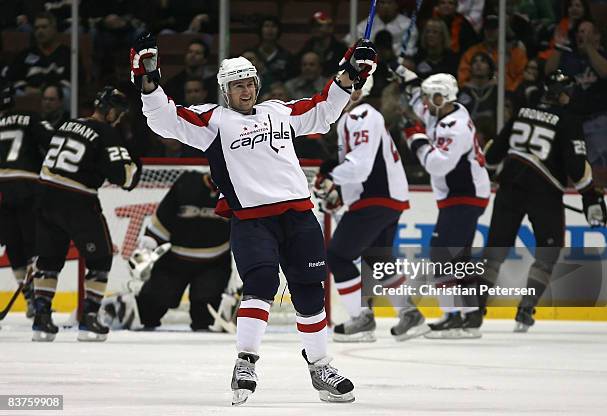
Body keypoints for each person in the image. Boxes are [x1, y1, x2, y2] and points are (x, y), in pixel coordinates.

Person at [131, 32, 376, 405]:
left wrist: (350, 73)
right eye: (236, 86)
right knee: (261, 280)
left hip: (299, 215)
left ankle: (321, 367)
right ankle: (245, 362)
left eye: (250, 84)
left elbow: (324, 110)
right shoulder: (212, 121)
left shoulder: (279, 111)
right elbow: (164, 119)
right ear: (224, 91)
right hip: (251, 220)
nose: (245, 91)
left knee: (310, 290)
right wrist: (148, 78)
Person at [481, 69, 607, 332]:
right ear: (560, 95)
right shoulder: (568, 120)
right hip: (544, 192)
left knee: (495, 251)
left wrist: (493, 174)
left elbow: (493, 154)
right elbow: (576, 166)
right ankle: (526, 308)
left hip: (510, 188)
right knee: (548, 251)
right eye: (568, 93)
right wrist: (591, 198)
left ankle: (475, 308)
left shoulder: (522, 112)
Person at [314, 76, 428, 343]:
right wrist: (337, 186)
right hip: (384, 197)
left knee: (338, 256)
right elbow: (359, 163)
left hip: (376, 197)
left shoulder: (360, 115)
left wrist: (332, 177)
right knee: (379, 260)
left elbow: (360, 166)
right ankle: (410, 314)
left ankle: (362, 319)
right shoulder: (354, 118)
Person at [31, 86, 140, 343]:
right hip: (77, 200)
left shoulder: (68, 124)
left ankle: (41, 319)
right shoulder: (106, 132)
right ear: (111, 111)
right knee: (100, 258)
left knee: (48, 259)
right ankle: (90, 318)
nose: (120, 118)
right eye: (119, 113)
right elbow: (123, 177)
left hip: (45, 194)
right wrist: (135, 164)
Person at [400, 70, 491, 338]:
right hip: (461, 194)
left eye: (431, 98)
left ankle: (456, 315)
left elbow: (437, 164)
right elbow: (418, 101)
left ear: (442, 97)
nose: (425, 104)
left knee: (442, 253)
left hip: (464, 195)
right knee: (456, 256)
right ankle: (469, 315)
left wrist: (415, 138)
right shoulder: (446, 111)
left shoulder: (456, 127)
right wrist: (406, 76)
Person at [101, 171, 231, 332]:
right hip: (176, 260)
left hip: (215, 262)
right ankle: (122, 306)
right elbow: (164, 215)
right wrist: (149, 244)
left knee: (206, 317)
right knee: (151, 307)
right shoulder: (187, 183)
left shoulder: (237, 189)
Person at [0, 79, 54, 318]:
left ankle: (29, 297)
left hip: (2, 188)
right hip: (27, 186)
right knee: (33, 246)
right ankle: (37, 297)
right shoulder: (30, 117)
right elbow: (54, 144)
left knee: (13, 246)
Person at [545, 20, 607, 168]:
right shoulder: (569, 56)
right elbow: (549, 72)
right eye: (579, 32)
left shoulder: (605, 56)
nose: (580, 35)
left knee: (601, 163)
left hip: (596, 120)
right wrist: (558, 47)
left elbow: (605, 72)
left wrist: (589, 47)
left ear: (597, 36)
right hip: (570, 119)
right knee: (566, 163)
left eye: (585, 31)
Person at [457, 15, 528, 91]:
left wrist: (509, 90)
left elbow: (522, 77)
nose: (490, 32)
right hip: (477, 93)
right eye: (487, 28)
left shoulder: (516, 53)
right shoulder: (472, 52)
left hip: (508, 94)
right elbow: (462, 80)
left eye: (494, 29)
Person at [6, 12, 71, 95]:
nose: (40, 31)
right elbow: (12, 77)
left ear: (54, 29)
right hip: (29, 92)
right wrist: (26, 88)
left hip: (59, 93)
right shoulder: (26, 54)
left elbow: (76, 79)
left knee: (67, 93)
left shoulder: (67, 53)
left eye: (44, 27)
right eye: (37, 28)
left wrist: (50, 90)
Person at [344, 0, 418, 58]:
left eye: (389, 3)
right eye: (382, 2)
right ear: (376, 5)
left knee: (408, 64)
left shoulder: (408, 25)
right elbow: (348, 41)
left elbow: (410, 50)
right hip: (370, 62)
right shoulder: (365, 25)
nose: (386, 6)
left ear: (396, 5)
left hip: (397, 60)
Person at [163, 39, 217, 106]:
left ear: (205, 59)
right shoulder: (174, 83)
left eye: (197, 53)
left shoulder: (213, 83)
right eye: (190, 52)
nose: (192, 55)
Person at [298, 11, 346, 77]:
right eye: (313, 26)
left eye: (319, 26)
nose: (315, 29)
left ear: (330, 28)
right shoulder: (306, 48)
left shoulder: (341, 50)